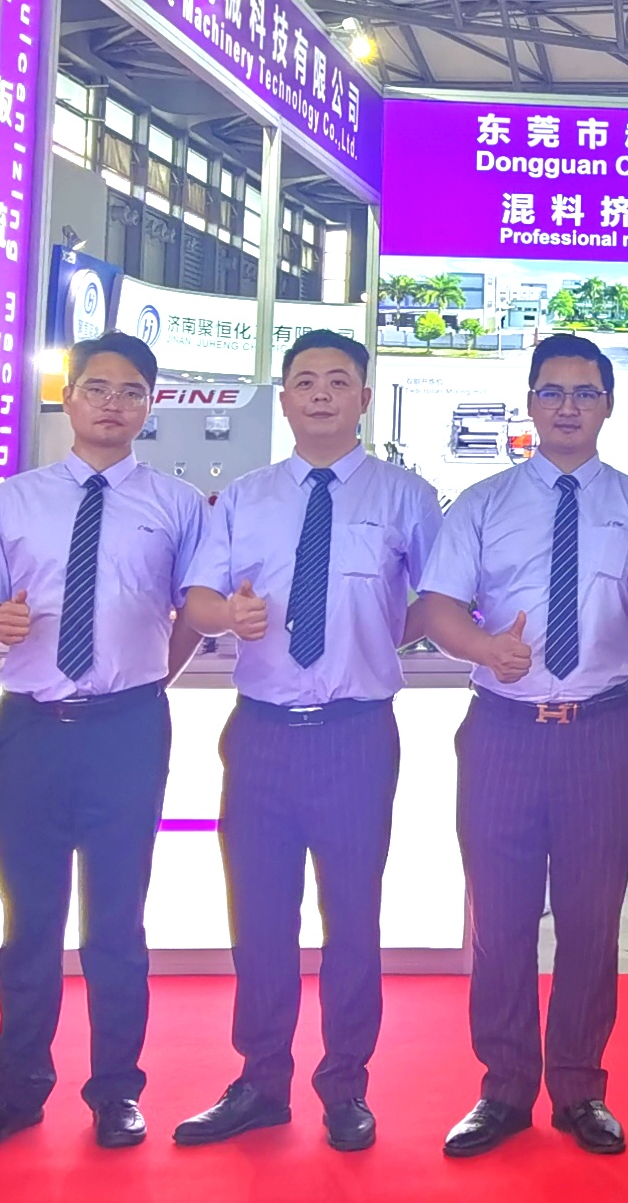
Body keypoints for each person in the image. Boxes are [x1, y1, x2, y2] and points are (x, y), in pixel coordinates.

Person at [0, 333, 216, 1155]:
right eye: (97, 387)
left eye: (131, 391)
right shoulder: (11, 501)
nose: (112, 404)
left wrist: (146, 683)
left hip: (127, 732)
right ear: (68, 396)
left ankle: (116, 1091)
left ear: (150, 406)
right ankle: (15, 1092)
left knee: (116, 924)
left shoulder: (177, 505)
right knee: (28, 922)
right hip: (30, 729)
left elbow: (194, 613)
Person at [177, 331, 443, 1154]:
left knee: (352, 917)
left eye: (337, 380)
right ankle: (260, 1080)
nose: (320, 393)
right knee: (259, 915)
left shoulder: (407, 496)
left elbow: (437, 600)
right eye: (304, 381)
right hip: (260, 732)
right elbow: (196, 599)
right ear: (284, 398)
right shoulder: (244, 497)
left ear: (363, 397)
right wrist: (229, 615)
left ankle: (345, 1084)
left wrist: (376, 630)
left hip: (356, 733)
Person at [409, 334, 628, 1158]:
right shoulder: (482, 504)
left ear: (607, 406)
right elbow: (437, 606)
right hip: (503, 731)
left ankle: (580, 1087)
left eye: (584, 392)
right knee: (502, 919)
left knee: (592, 920)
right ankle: (503, 1088)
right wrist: (484, 647)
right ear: (529, 402)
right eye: (552, 391)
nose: (567, 406)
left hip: (599, 732)